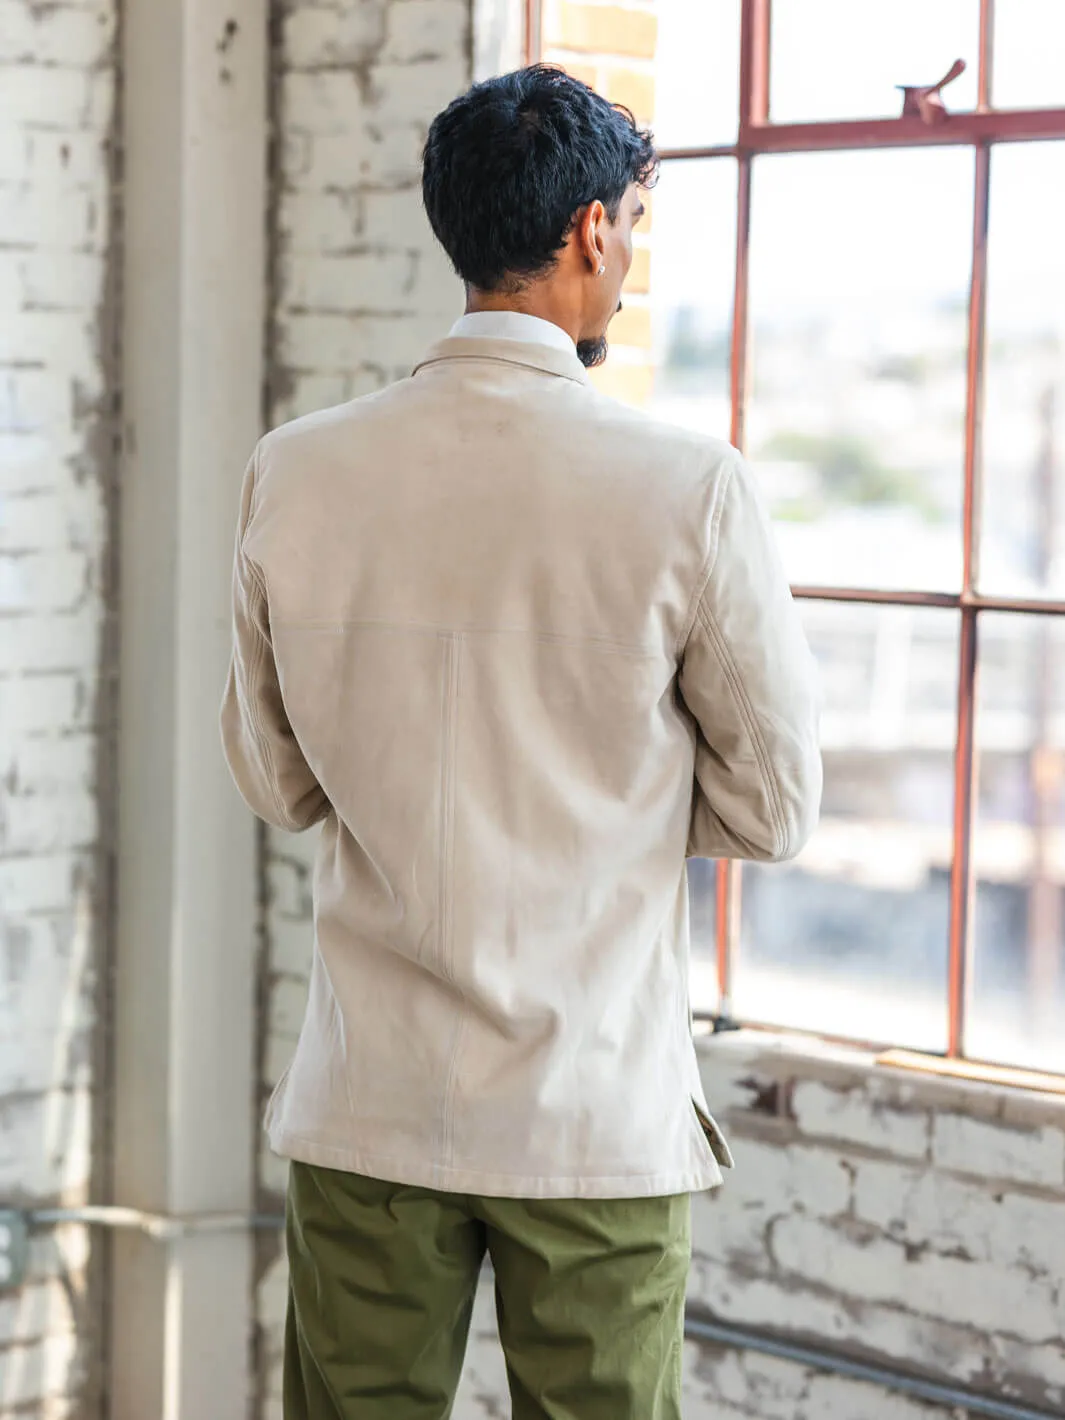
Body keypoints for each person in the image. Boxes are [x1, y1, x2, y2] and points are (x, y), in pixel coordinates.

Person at [221, 63, 821, 1420]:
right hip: (592, 1116)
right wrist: (619, 792)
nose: (632, 266)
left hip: (369, 1102)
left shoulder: (296, 468)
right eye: (637, 232)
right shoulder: (687, 489)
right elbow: (776, 808)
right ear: (592, 231)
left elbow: (274, 780)